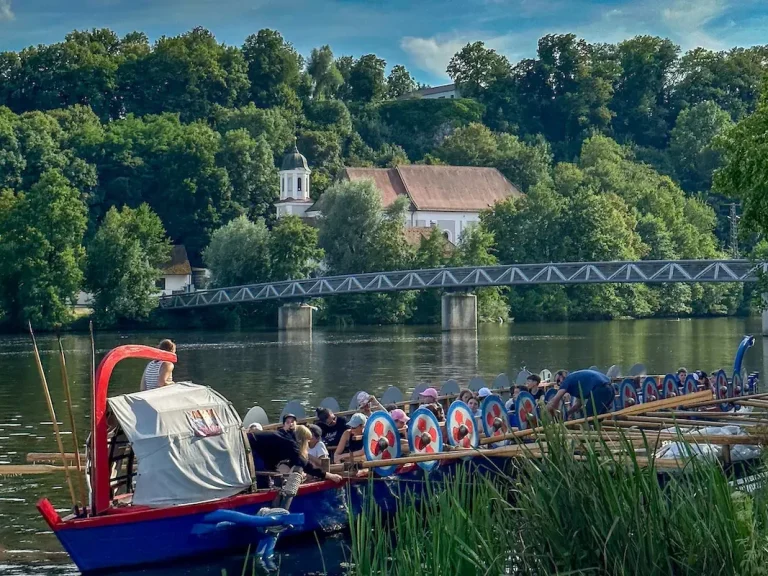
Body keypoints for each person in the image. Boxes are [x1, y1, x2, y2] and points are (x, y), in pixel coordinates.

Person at [247, 425, 343, 489]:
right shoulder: (290, 443)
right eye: (307, 441)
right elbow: (305, 465)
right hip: (250, 447)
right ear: (302, 440)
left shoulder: (284, 437)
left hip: (251, 445)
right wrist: (329, 475)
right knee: (261, 480)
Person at [547, 369, 614, 418]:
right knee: (599, 417)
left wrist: (550, 412)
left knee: (588, 416)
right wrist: (568, 413)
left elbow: (556, 399)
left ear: (563, 375)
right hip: (610, 389)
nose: (559, 384)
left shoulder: (567, 380)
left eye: (559, 380)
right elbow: (578, 404)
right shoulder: (576, 380)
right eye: (557, 383)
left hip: (600, 390)